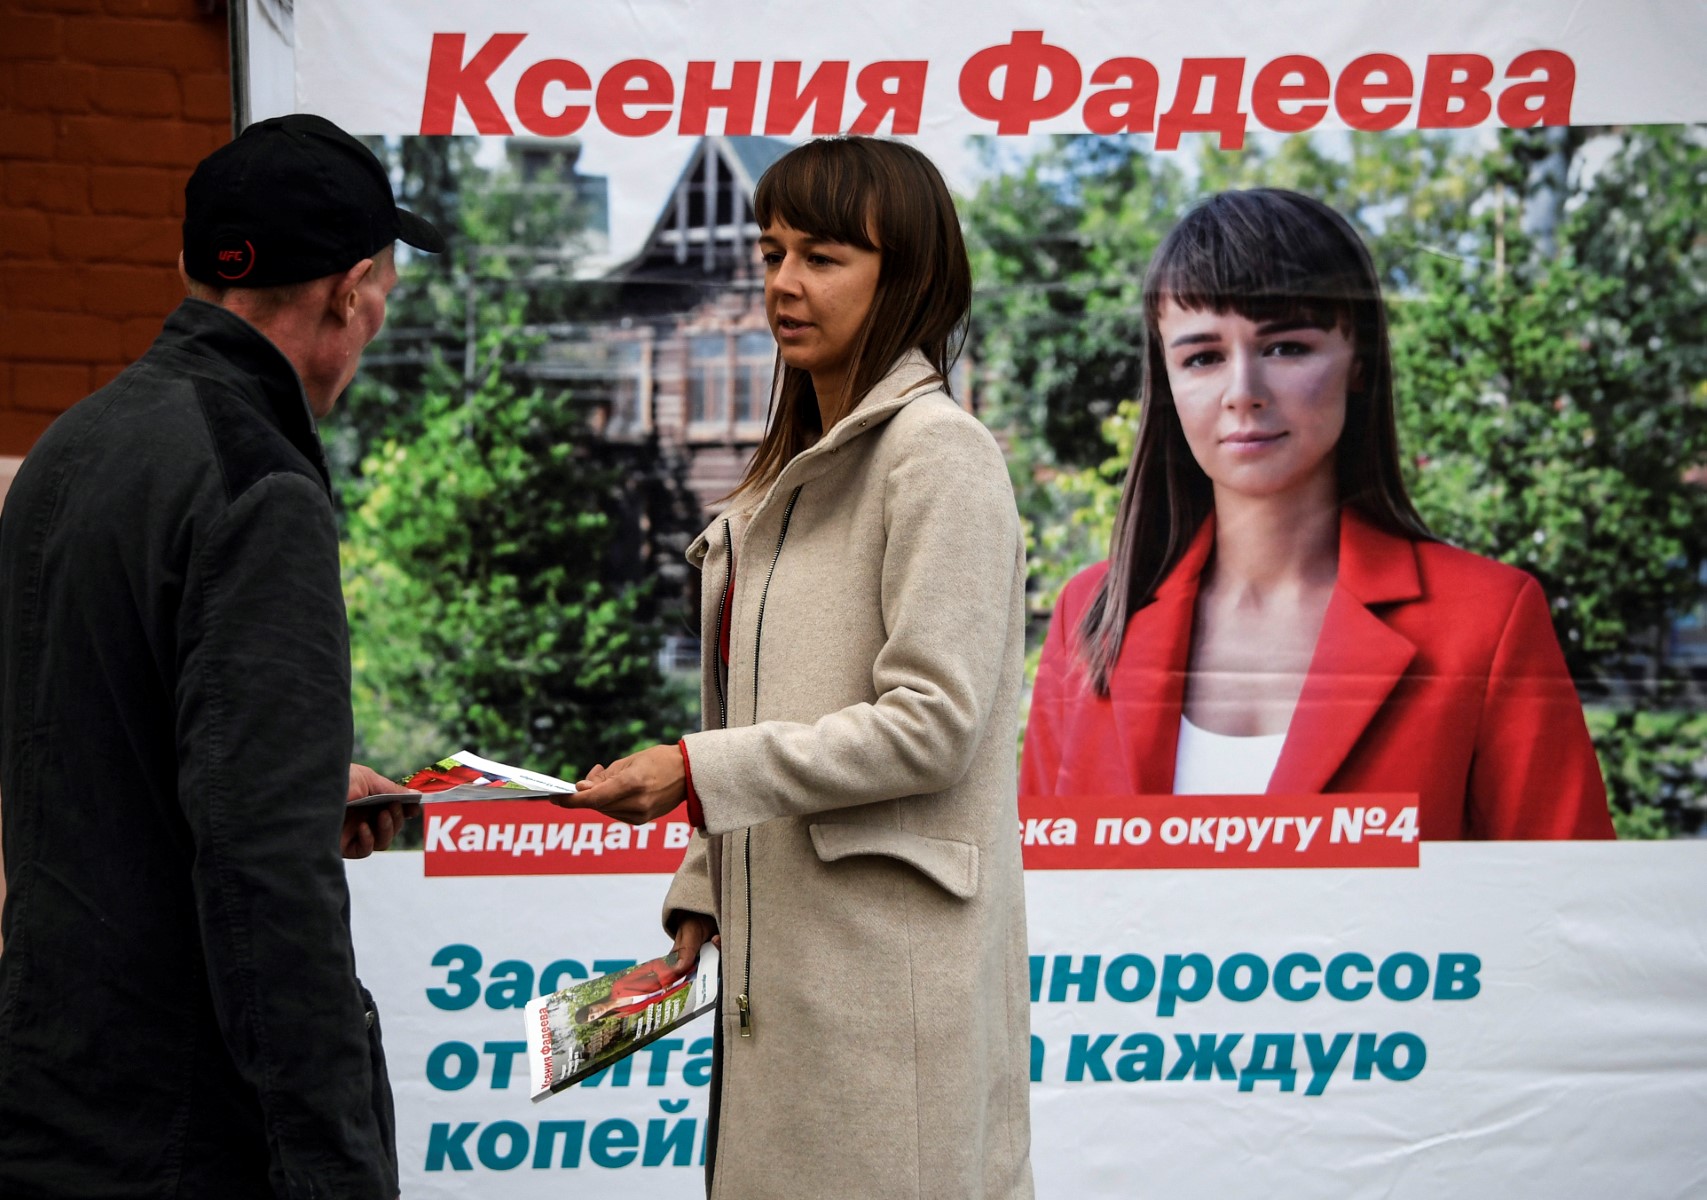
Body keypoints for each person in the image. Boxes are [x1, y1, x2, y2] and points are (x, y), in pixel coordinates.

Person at [559, 137, 1035, 1198]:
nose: (782, 282)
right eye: (772, 252)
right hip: (777, 978)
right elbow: (762, 709)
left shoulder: (940, 454)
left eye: (822, 256)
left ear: (906, 276)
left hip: (885, 985)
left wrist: (693, 768)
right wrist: (700, 892)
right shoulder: (785, 477)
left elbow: (933, 725)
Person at [0, 113, 443, 1198]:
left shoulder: (73, 444)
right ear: (349, 292)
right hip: (184, 1122)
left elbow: (97, 741)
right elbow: (266, 876)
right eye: (383, 288)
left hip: (52, 1078)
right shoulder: (259, 485)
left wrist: (294, 781)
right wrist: (335, 1168)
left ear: (189, 269)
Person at [1021, 188, 1614, 840]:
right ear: (1166, 383)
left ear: (1358, 361)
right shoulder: (1091, 617)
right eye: (1202, 358)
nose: (1243, 393)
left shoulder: (1486, 622)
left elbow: (1563, 898)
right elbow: (1035, 893)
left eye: (1285, 347)